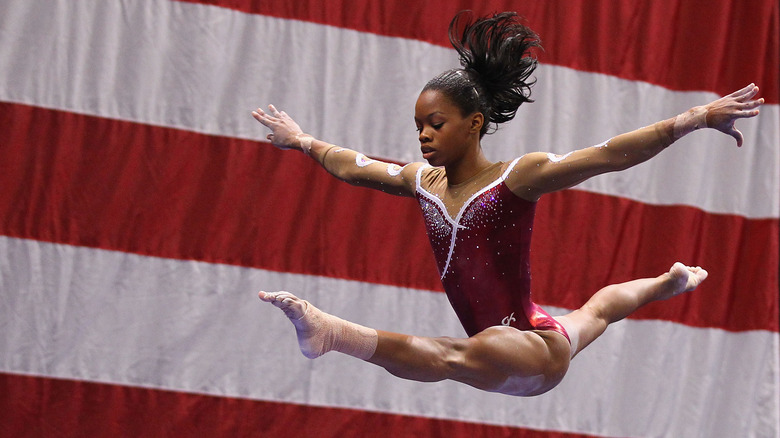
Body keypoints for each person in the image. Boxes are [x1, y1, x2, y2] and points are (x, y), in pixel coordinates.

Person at [251, 11, 763, 396]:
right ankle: (669, 282)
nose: (424, 136)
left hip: (531, 349)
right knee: (602, 308)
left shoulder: (518, 178)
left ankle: (334, 333)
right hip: (518, 342)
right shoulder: (422, 182)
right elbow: (353, 165)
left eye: (436, 123)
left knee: (459, 354)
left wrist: (694, 117)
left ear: (474, 123)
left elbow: (609, 155)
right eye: (418, 126)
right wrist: (302, 139)